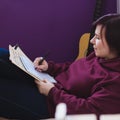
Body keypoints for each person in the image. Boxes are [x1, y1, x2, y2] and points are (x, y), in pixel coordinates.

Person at [0, 13, 120, 119]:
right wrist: (50, 67)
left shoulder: (115, 82)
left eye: (98, 38)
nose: (92, 41)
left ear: (115, 42)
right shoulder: (100, 56)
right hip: (49, 82)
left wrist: (52, 92)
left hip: (51, 105)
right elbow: (72, 68)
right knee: (3, 55)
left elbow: (87, 110)